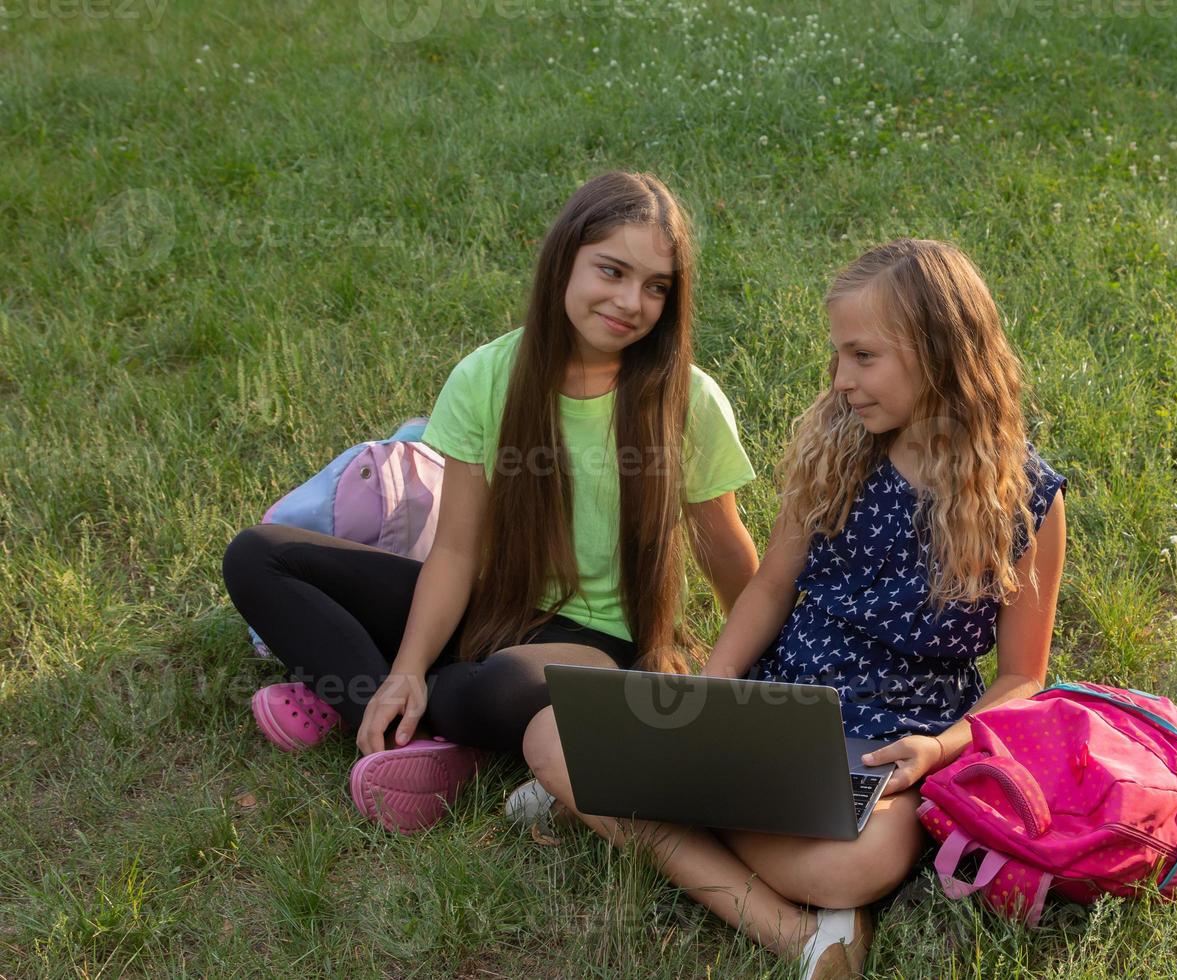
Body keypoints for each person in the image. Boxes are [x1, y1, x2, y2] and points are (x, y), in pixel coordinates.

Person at [520, 238, 1068, 977]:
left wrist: (937, 752)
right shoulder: (838, 444)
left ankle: (632, 813)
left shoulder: (1025, 495)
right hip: (776, 705)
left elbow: (1021, 680)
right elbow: (773, 587)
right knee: (551, 734)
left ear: (939, 353)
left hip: (894, 741)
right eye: (837, 356)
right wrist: (712, 688)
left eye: (863, 357)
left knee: (858, 864)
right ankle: (789, 930)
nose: (841, 380)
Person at [222, 172, 760, 833]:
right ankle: (405, 717)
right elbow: (453, 549)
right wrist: (410, 668)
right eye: (612, 271)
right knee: (259, 556)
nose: (630, 301)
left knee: (492, 685)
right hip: (492, 609)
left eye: (656, 287)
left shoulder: (689, 400)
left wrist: (769, 670)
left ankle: (371, 699)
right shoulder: (486, 376)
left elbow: (729, 554)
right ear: (564, 258)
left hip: (600, 647)